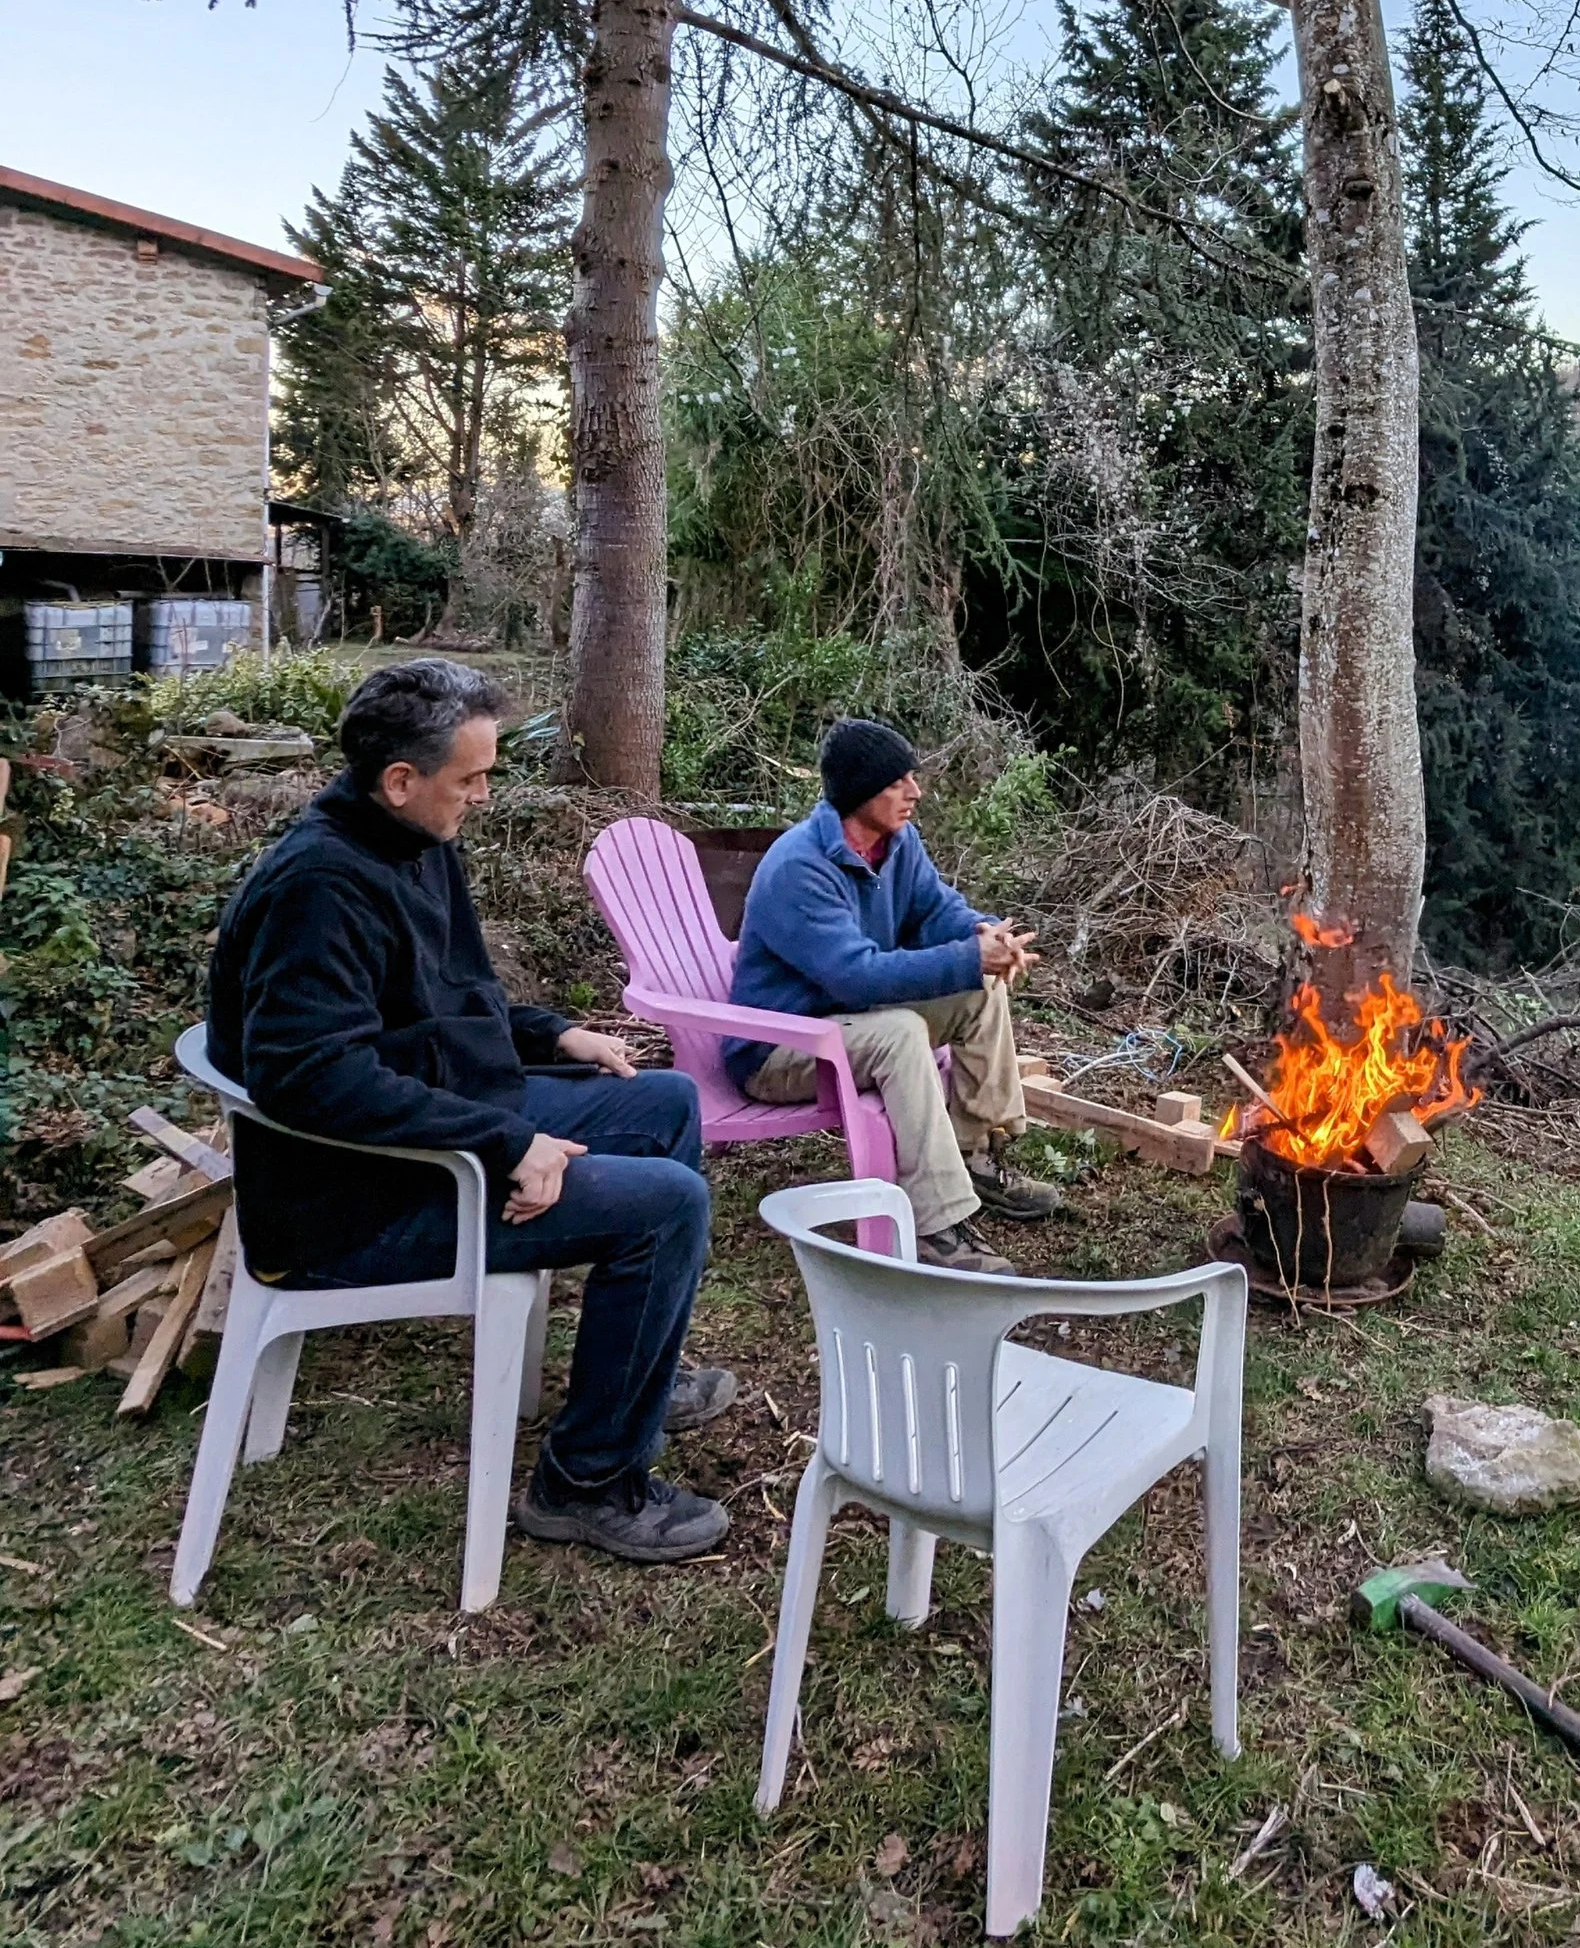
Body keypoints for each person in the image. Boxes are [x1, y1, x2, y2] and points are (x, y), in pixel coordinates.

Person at [207, 658, 733, 1564]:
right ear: (399, 779)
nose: (484, 796)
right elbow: (308, 1075)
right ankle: (587, 1482)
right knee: (666, 1206)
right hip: (364, 1203)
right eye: (471, 777)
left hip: (438, 1132)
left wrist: (552, 1034)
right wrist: (504, 1143)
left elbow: (454, 1002)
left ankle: (633, 1379)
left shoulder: (416, 845)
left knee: (668, 1101)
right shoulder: (319, 886)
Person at [728, 718, 1052, 1270]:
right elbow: (857, 977)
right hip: (780, 1048)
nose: (915, 791)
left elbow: (935, 909)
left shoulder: (896, 843)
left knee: (980, 990)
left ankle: (972, 1154)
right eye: (898, 781)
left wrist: (983, 934)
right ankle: (935, 1225)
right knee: (901, 1033)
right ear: (859, 791)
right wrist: (966, 959)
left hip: (849, 1022)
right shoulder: (799, 868)